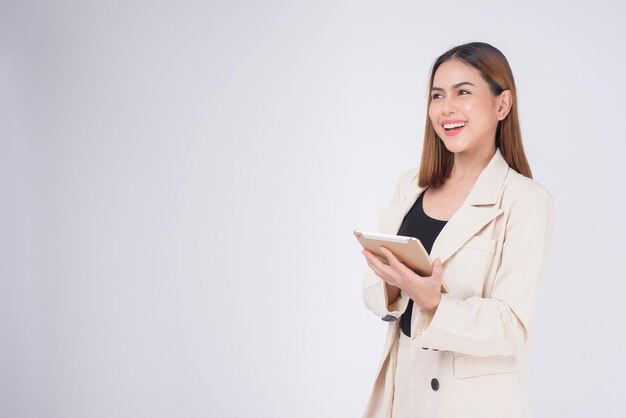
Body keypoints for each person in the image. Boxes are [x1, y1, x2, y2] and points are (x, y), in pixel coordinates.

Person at [360, 42, 554, 418]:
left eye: (463, 92)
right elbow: (377, 298)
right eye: (437, 95)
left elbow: (511, 326)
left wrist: (434, 302)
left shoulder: (525, 200)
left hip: (470, 405)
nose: (446, 108)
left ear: (502, 105)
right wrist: (390, 284)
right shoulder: (411, 185)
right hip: (403, 396)